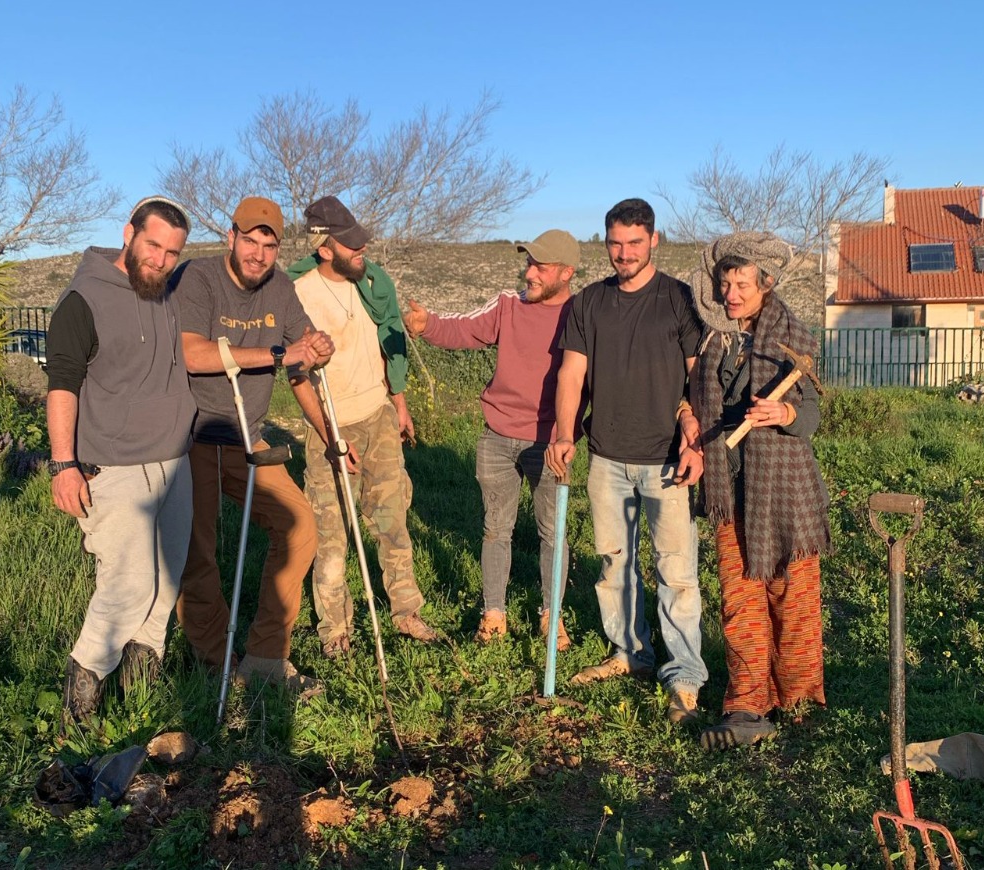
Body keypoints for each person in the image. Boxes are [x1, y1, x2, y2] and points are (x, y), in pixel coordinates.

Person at [545, 198, 707, 725]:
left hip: (666, 460)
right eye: (615, 243)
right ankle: (628, 654)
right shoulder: (590, 302)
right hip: (606, 457)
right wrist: (564, 431)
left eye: (635, 243)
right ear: (606, 242)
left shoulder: (679, 299)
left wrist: (693, 434)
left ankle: (684, 675)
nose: (624, 253)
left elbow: (697, 375)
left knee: (676, 570)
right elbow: (572, 373)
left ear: (654, 240)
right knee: (614, 563)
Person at [172, 196, 335, 698]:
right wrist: (280, 350)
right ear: (231, 237)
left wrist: (318, 354)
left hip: (249, 437)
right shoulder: (197, 279)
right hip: (193, 435)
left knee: (300, 526)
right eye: (251, 241)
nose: (259, 254)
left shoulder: (280, 288)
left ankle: (265, 657)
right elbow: (193, 354)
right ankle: (216, 661)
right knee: (197, 553)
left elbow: (301, 362)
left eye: (269, 244)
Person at [45, 196, 195, 724]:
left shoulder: (164, 291)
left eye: (172, 252)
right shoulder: (82, 299)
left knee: (165, 583)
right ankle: (78, 713)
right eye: (152, 244)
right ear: (128, 233)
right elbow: (62, 384)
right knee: (127, 586)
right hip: (113, 465)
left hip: (174, 461)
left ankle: (137, 702)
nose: (160, 259)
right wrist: (63, 465)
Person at [403, 230, 583, 647]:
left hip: (551, 442)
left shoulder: (582, 313)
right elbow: (465, 330)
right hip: (498, 435)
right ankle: (493, 613)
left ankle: (550, 616)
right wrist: (427, 324)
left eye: (540, 266)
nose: (530, 273)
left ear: (567, 272)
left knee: (552, 533)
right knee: (495, 529)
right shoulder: (509, 304)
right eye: (528, 263)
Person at [687, 232, 830, 749]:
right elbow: (691, 398)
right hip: (731, 486)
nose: (731, 293)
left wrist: (784, 412)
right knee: (740, 598)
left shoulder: (792, 336)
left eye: (741, 284)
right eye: (725, 283)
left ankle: (797, 698)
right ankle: (747, 703)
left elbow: (810, 413)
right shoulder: (710, 339)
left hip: (786, 491)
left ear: (765, 284)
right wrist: (687, 419)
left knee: (792, 597)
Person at [288, 196, 438, 657]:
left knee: (393, 519)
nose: (362, 249)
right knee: (330, 532)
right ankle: (335, 627)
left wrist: (399, 402)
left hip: (378, 415)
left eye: (361, 240)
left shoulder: (372, 281)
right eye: (350, 244)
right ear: (324, 247)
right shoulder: (295, 291)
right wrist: (332, 437)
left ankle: (406, 609)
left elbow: (389, 336)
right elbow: (296, 374)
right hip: (329, 424)